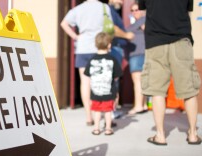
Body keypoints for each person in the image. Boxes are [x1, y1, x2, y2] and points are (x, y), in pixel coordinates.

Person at [60, 0, 134, 126]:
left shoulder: (78, 9)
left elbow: (64, 23)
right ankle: (106, 116)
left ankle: (89, 117)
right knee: (104, 81)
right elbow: (110, 28)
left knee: (85, 83)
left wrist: (76, 37)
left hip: (83, 48)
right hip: (100, 48)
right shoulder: (104, 7)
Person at [139, 0, 201, 145]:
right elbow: (188, 12)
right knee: (189, 90)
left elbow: (143, 11)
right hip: (181, 40)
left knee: (157, 91)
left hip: (155, 42)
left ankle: (160, 135)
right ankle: (193, 134)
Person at [84, 32, 122, 135]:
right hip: (108, 91)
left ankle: (96, 129)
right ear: (109, 45)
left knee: (97, 111)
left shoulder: (91, 60)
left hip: (95, 91)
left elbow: (87, 74)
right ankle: (108, 129)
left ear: (96, 45)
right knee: (108, 111)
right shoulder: (112, 59)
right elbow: (117, 75)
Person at [126, 2, 147, 115]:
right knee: (141, 81)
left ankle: (138, 106)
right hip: (139, 53)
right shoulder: (137, 22)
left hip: (138, 54)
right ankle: (142, 105)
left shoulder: (144, 19)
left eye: (137, 9)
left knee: (137, 80)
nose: (135, 12)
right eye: (132, 10)